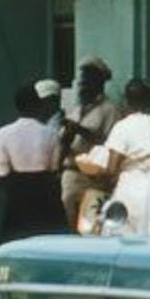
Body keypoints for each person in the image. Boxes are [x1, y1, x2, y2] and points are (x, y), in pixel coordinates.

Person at [0, 83, 66, 248]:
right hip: (46, 193)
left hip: (17, 193)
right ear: (37, 105)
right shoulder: (51, 134)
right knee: (50, 243)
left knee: (13, 244)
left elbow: (2, 170)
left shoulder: (3, 133)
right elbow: (54, 167)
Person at [85, 79, 150, 232]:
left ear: (126, 101)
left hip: (130, 190)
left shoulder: (123, 127)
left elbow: (112, 169)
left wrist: (95, 175)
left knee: (122, 236)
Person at [56, 60, 120, 227]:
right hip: (71, 174)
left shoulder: (109, 110)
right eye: (81, 82)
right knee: (67, 224)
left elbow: (109, 143)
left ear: (99, 83)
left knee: (90, 226)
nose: (82, 87)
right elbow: (64, 141)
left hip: (94, 178)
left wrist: (79, 129)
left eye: (87, 82)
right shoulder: (75, 110)